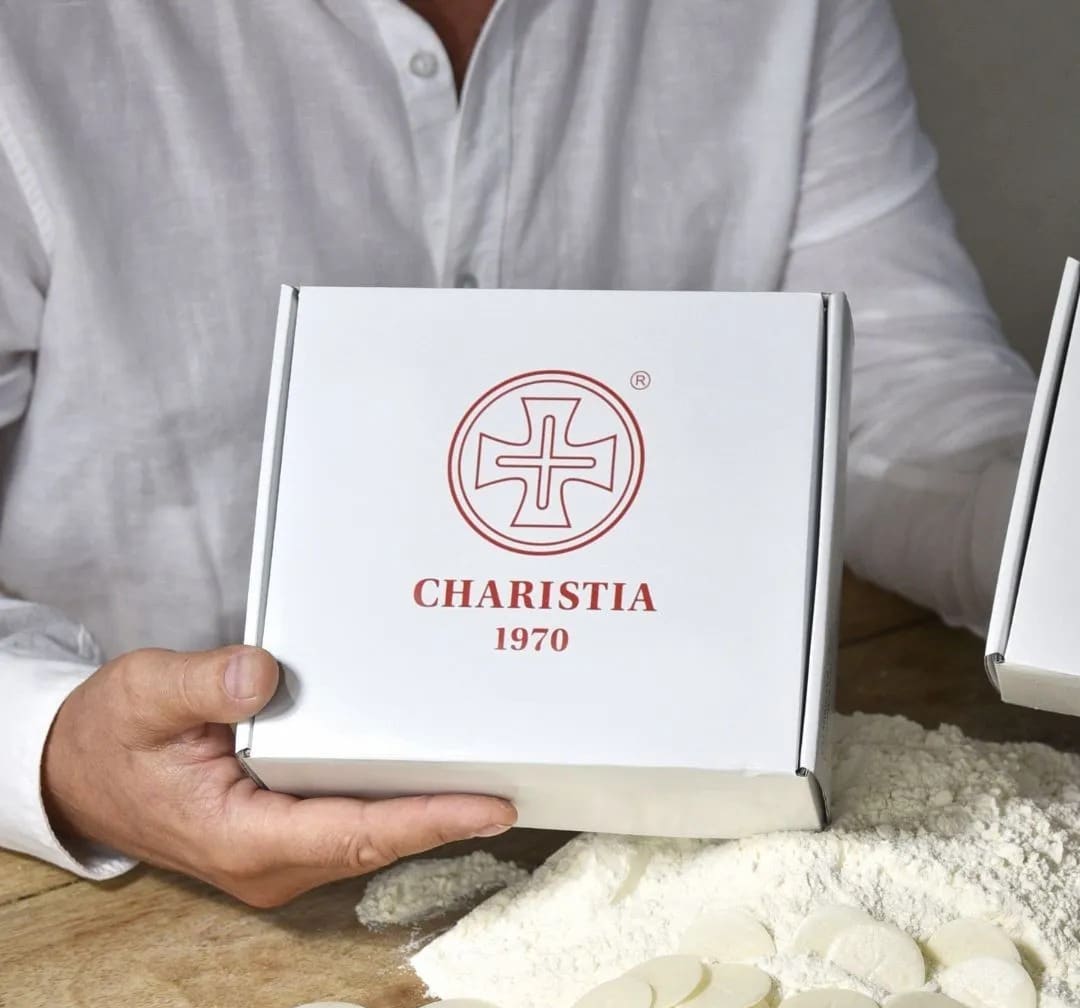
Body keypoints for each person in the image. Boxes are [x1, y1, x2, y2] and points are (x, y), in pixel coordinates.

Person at [0, 0, 1036, 906]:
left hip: (682, 802)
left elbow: (891, 394)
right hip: (119, 879)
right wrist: (56, 752)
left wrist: (1050, 546)